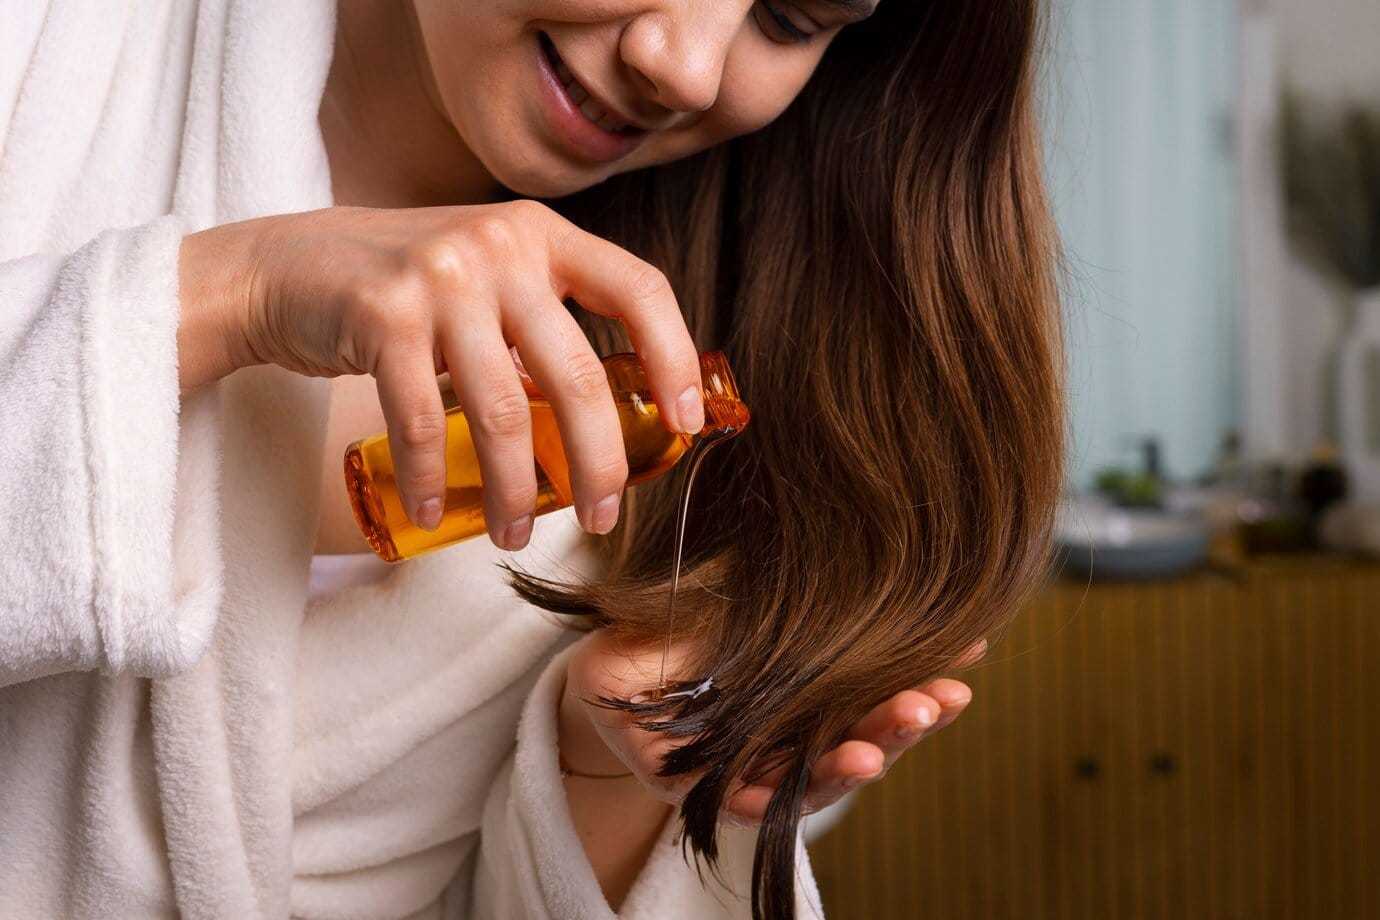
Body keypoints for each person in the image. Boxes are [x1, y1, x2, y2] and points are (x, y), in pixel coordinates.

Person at [0, 1, 1061, 919]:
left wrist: (605, 777)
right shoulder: (51, 47)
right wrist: (229, 296)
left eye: (790, 15)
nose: (684, 65)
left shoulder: (714, 454)